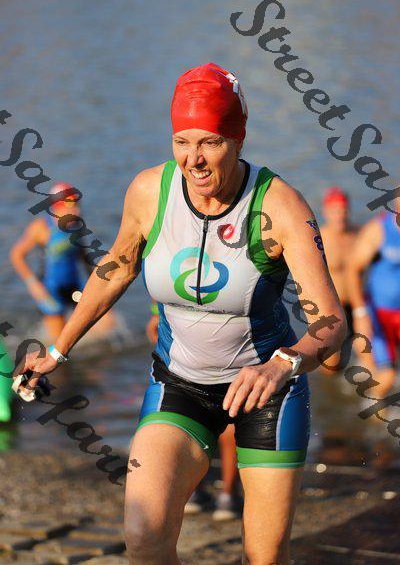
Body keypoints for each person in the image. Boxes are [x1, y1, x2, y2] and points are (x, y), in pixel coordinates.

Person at [14, 62, 346, 565]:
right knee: (144, 538)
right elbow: (116, 269)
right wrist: (58, 351)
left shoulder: (279, 205)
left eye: (210, 141)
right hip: (179, 385)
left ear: (238, 138)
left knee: (264, 556)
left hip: (266, 394)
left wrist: (282, 365)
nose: (194, 159)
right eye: (182, 141)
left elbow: (331, 323)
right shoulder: (151, 191)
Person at [146, 300, 241, 520]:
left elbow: (167, 286)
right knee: (232, 412)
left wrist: (156, 313)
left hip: (183, 333)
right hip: (231, 332)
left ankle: (194, 492)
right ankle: (228, 496)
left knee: (189, 407)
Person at [10, 182, 116, 343]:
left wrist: (95, 281)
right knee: (59, 343)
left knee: (107, 323)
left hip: (75, 284)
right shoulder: (41, 227)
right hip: (50, 291)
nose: (77, 210)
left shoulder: (77, 224)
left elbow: (82, 253)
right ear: (57, 207)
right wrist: (32, 284)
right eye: (71, 206)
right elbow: (17, 255)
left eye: (77, 205)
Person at [347, 204, 400, 399]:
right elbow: (353, 269)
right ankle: (375, 409)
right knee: (386, 377)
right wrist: (360, 313)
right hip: (379, 313)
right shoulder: (379, 228)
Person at [319, 187, 374, 374]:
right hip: (333, 307)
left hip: (359, 304)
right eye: (335, 211)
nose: (340, 216)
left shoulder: (360, 234)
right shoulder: (319, 239)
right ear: (326, 212)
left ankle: (374, 389)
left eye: (343, 210)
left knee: (369, 355)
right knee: (331, 366)